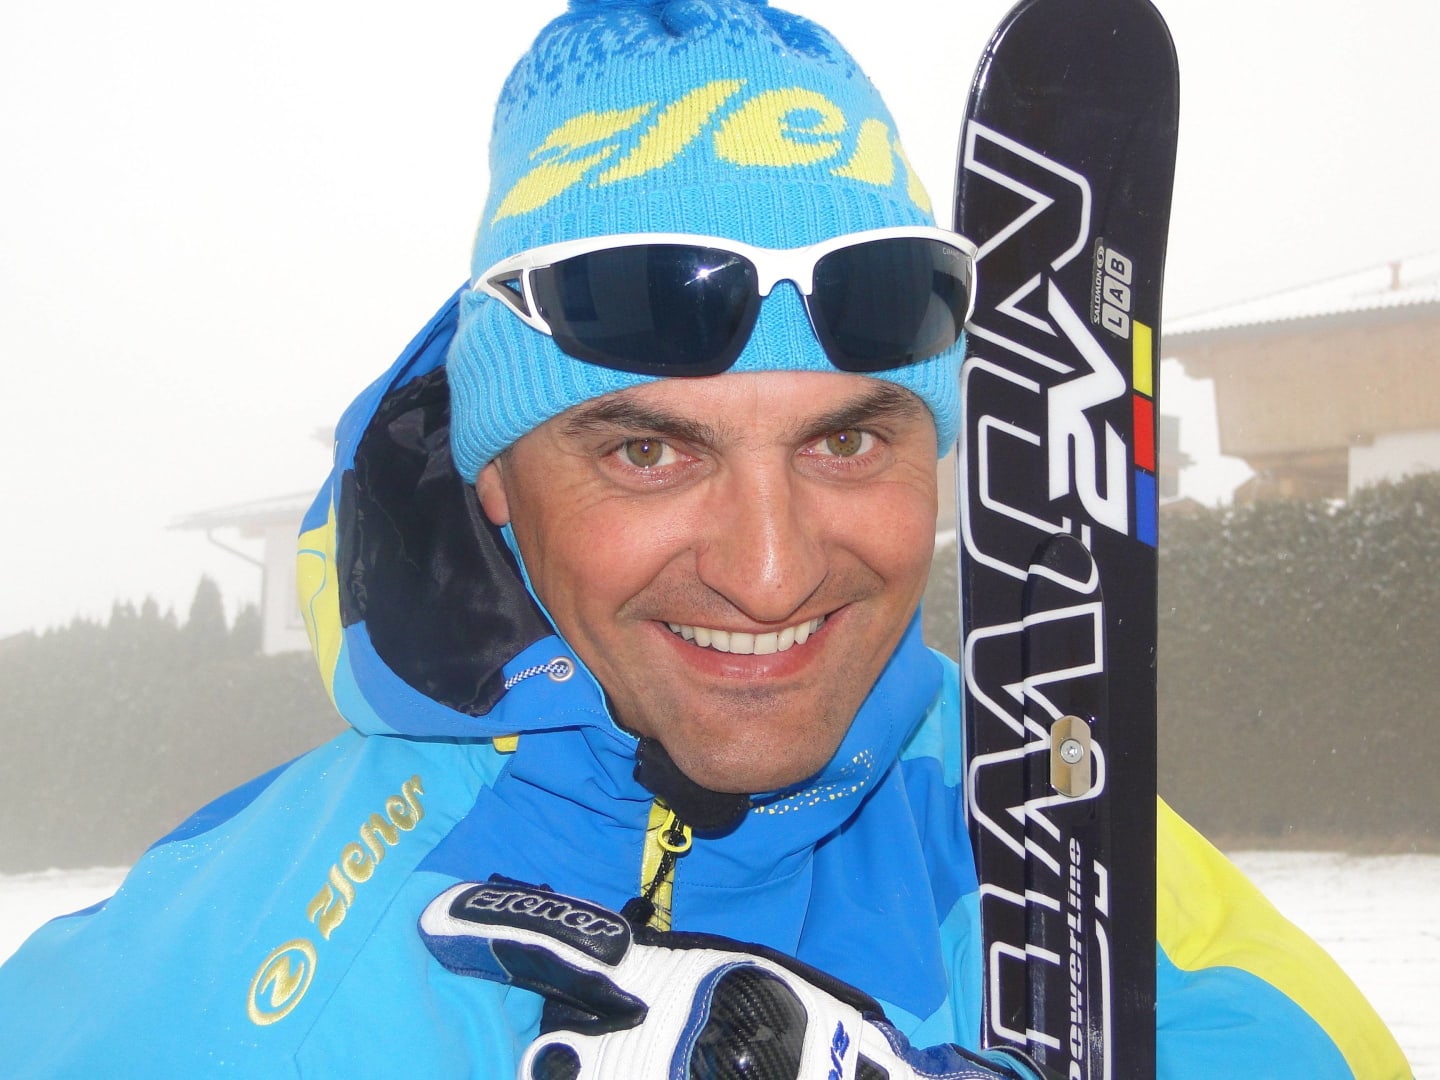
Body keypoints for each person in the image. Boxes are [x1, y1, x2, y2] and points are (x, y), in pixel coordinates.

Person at [0, 1, 1410, 1077]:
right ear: (496, 483)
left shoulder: (1084, 862)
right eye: (648, 453)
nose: (771, 571)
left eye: (847, 441)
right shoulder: (217, 982)